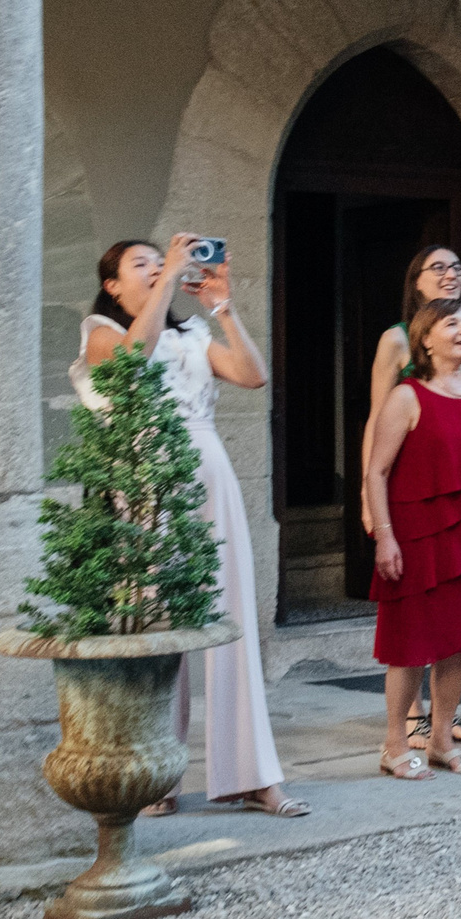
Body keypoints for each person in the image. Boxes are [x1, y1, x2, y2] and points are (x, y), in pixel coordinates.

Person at [79, 239, 303, 818]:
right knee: (155, 623)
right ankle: (158, 775)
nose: (157, 269)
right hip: (147, 477)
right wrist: (171, 277)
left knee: (229, 617)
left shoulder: (193, 336)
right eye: (143, 264)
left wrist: (223, 307)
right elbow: (130, 360)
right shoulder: (100, 330)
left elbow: (253, 375)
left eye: (163, 261)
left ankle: (252, 776)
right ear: (113, 284)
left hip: (209, 470)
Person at [366, 298, 461, 780]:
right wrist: (385, 537)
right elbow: (376, 470)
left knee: (457, 643)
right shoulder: (407, 396)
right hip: (415, 533)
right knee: (409, 643)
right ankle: (394, 745)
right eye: (451, 322)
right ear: (425, 339)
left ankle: (441, 740)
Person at [362, 244, 461, 746]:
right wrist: (373, 507)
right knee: (413, 617)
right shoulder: (395, 340)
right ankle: (408, 720)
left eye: (458, 266)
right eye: (438, 267)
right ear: (416, 280)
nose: (451, 274)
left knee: (456, 612)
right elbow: (378, 419)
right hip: (411, 486)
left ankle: (442, 722)